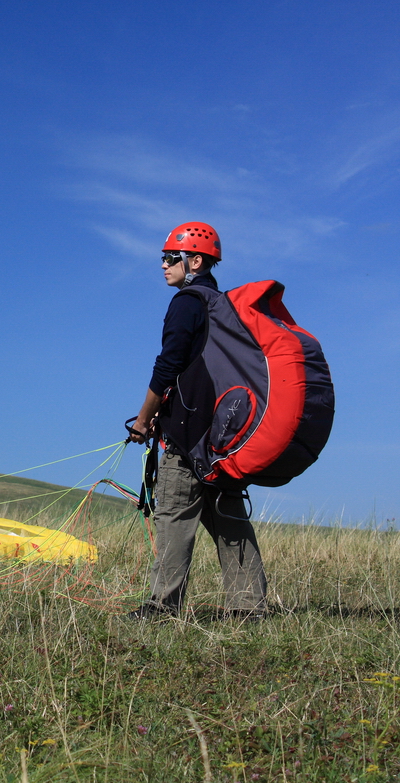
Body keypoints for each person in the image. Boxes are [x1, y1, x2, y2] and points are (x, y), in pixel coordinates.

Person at [127, 222, 268, 621]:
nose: (163, 265)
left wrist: (144, 419)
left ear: (195, 260)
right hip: (225, 437)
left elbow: (167, 365)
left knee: (174, 515)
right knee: (229, 520)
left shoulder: (187, 302)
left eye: (171, 257)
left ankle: (160, 607)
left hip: (188, 438)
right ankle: (249, 608)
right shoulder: (222, 307)